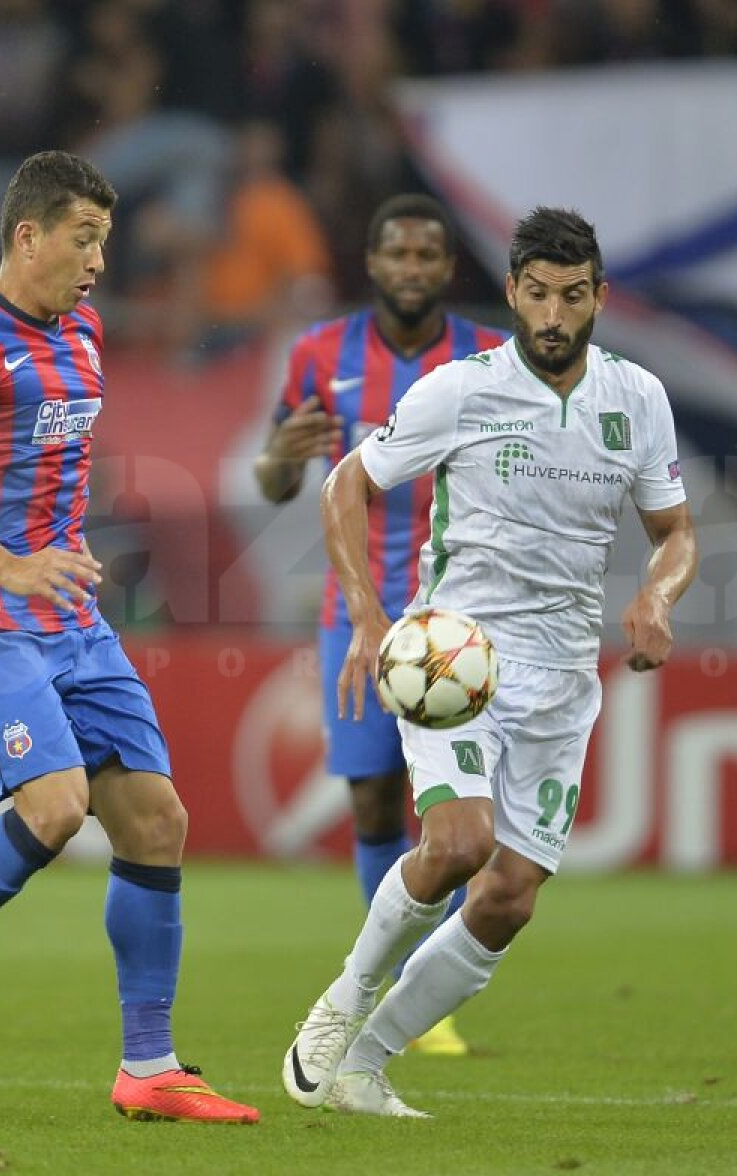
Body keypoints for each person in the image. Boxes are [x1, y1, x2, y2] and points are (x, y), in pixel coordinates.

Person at [282, 206, 698, 1117]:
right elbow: (347, 482)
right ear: (510, 291)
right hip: (454, 654)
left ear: (599, 297)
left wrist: (657, 597)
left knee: (509, 897)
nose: (553, 315)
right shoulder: (460, 390)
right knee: (460, 845)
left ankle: (365, 1065)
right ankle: (342, 1000)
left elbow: (674, 532)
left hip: (563, 675)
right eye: (537, 294)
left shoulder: (638, 398)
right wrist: (366, 614)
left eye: (572, 296)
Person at [0, 150, 258, 1125]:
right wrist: (8, 564)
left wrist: (65, 540)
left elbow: (45, 461)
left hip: (72, 618)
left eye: (105, 241)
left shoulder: (84, 331)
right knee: (54, 806)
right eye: (84, 240)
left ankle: (150, 1068)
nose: (98, 262)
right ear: (27, 235)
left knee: (157, 822)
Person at [254, 193, 506, 1057]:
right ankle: (396, 979)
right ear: (372, 262)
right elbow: (276, 483)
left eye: (427, 254)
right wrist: (278, 456)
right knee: (370, 797)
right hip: (356, 611)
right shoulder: (320, 353)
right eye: (397, 253)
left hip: (461, 616)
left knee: (457, 809)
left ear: (448, 266)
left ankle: (427, 991)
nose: (411, 268)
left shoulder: (487, 356)